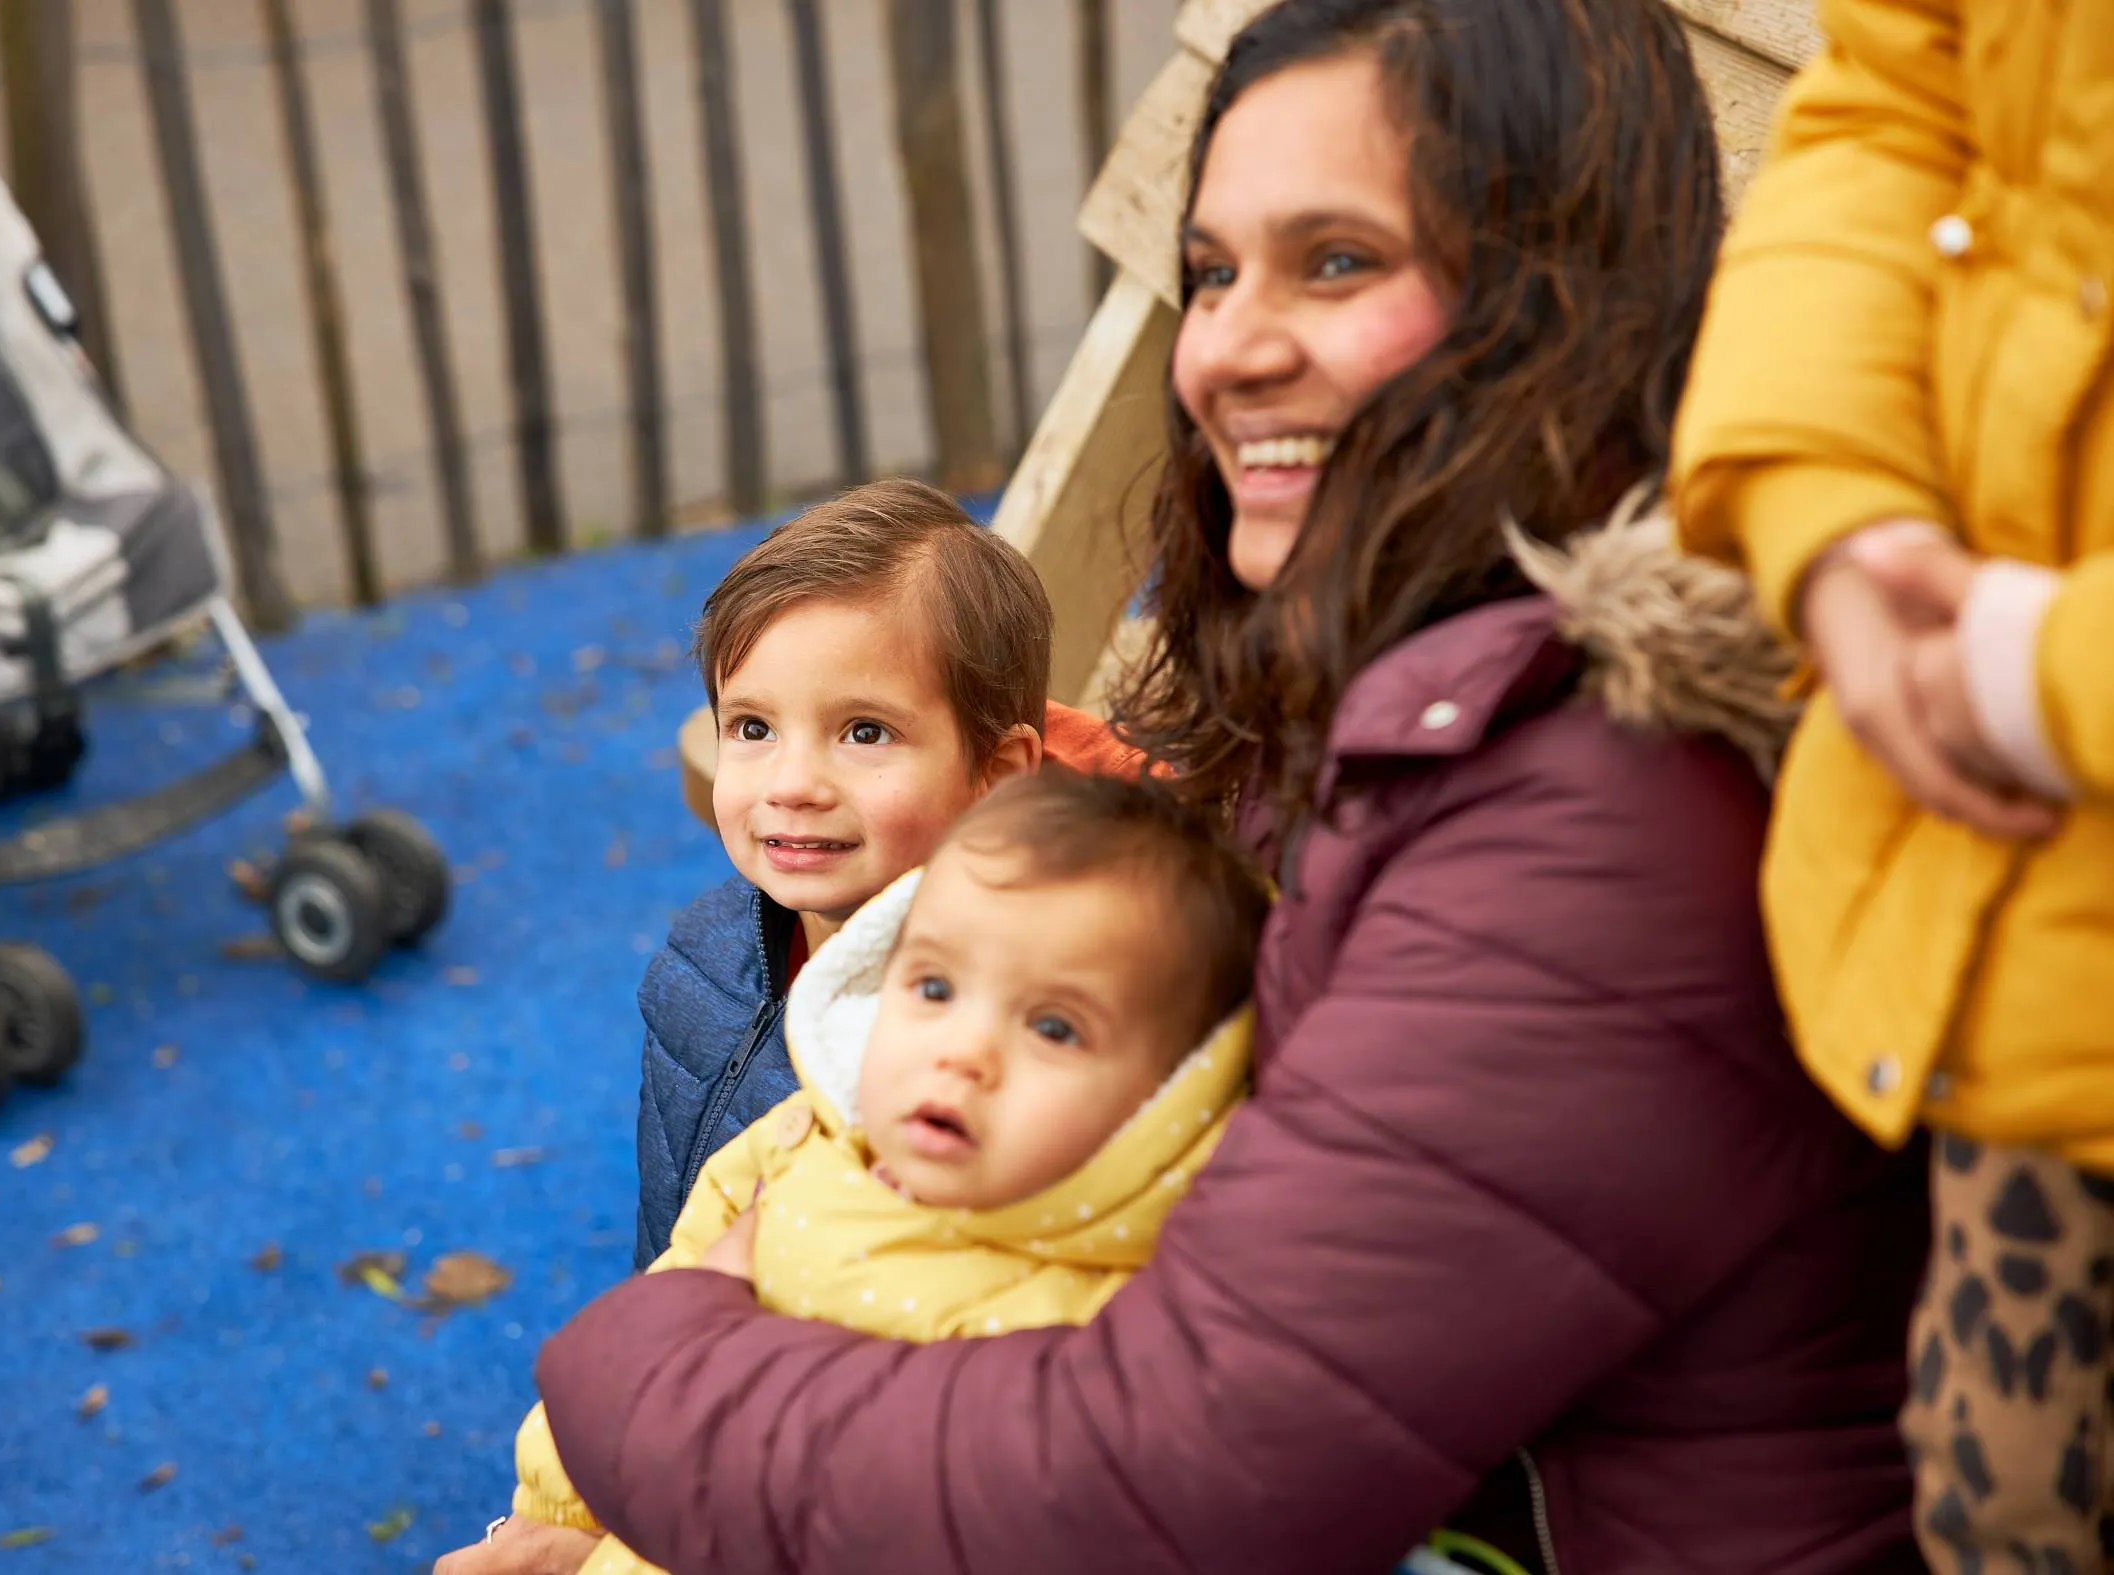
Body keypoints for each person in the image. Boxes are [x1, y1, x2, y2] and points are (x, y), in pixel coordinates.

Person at [523, 1, 1933, 1571]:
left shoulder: (1608, 822)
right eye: (1210, 270)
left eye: (1335, 261)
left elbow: (1164, 1476)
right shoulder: (1372, 697)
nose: (1226, 346)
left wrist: (640, 1365)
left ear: (1554, 295)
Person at [1670, 1, 2114, 1566]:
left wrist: (2046, 672)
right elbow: (1887, 102)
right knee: (1997, 1495)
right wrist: (1822, 503)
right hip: (2023, 970)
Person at [466, 769, 1267, 1575]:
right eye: (934, 986)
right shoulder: (792, 1147)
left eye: (1055, 1026)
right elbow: (650, 1342)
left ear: (1169, 1100)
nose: (962, 1052)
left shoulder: (1106, 1327)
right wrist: (557, 1515)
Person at [626, 479, 1142, 1277]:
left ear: (1000, 777)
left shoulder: (1000, 1048)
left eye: (864, 732)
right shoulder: (711, 951)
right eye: (753, 727)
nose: (792, 782)